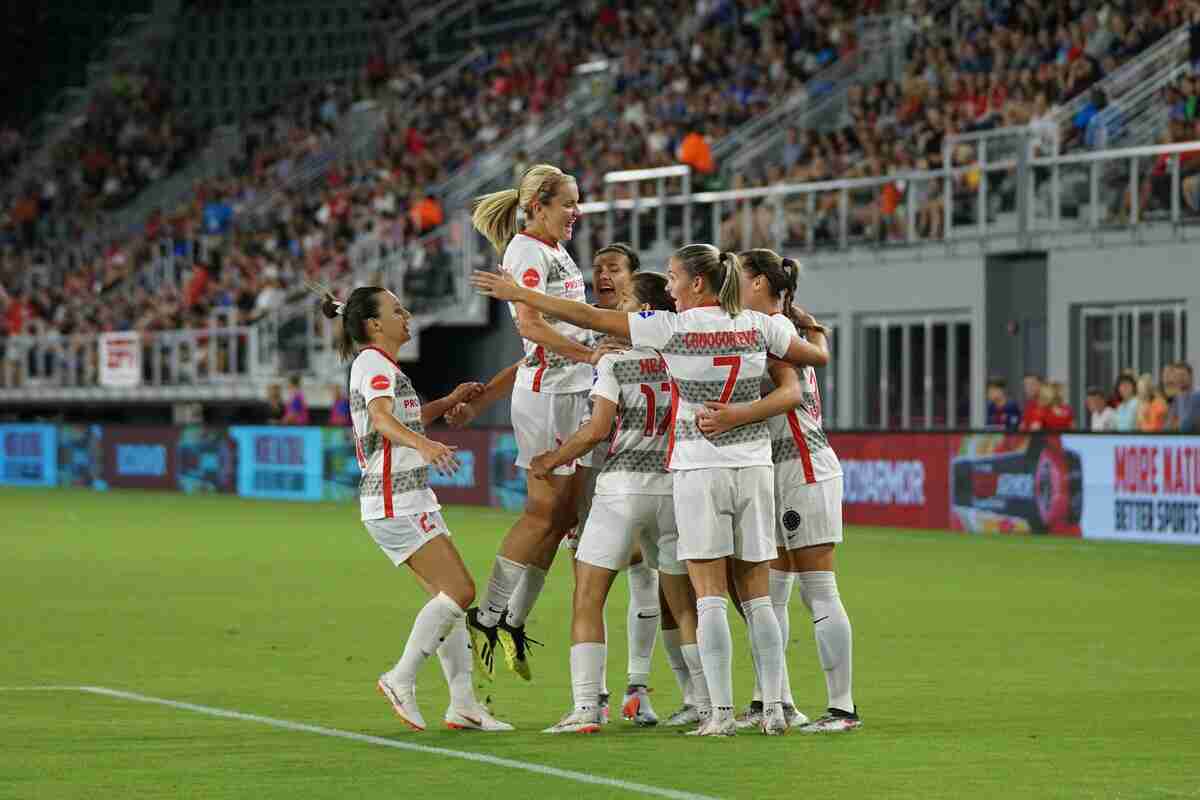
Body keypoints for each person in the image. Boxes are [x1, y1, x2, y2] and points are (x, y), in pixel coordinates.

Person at [472, 243, 831, 736]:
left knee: (693, 599)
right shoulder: (759, 325)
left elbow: (587, 318)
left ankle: (711, 712)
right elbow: (814, 358)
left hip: (689, 473)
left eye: (673, 276)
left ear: (697, 283)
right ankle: (773, 707)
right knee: (755, 598)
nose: (668, 286)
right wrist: (810, 325)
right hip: (751, 469)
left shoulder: (671, 332)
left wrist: (518, 294)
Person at [314, 284, 509, 733]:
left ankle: (463, 705)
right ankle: (400, 677)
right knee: (460, 591)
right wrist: (426, 446)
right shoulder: (371, 363)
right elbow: (383, 420)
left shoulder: (380, 366)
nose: (408, 315)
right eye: (397, 310)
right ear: (374, 325)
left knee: (448, 602)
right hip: (394, 499)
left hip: (403, 498)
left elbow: (401, 416)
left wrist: (447, 402)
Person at [697, 249, 858, 734]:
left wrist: (732, 417)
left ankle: (842, 708)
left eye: (739, 276)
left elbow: (788, 392)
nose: (730, 282)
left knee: (819, 590)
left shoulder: (773, 334)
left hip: (801, 468)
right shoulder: (778, 328)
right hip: (775, 469)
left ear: (762, 284)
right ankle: (776, 700)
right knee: (775, 596)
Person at [464, 164, 599, 682]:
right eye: (568, 203)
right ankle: (490, 614)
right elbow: (530, 323)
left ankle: (514, 619)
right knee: (542, 513)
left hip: (570, 392)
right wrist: (587, 355)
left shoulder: (558, 251)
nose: (576, 212)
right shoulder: (524, 252)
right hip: (547, 397)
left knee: (563, 517)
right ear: (539, 206)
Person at [530, 273, 682, 734]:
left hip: (621, 489)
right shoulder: (683, 359)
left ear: (645, 313)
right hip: (673, 488)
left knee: (588, 595)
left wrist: (553, 458)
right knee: (682, 601)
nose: (618, 309)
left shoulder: (615, 364)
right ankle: (702, 700)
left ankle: (586, 707)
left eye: (628, 303)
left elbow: (597, 431)